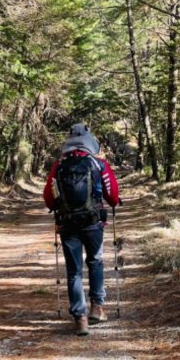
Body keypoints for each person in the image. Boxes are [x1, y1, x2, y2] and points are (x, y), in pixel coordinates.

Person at [43, 123, 120, 336]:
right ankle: (97, 307)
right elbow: (112, 196)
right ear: (90, 141)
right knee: (95, 261)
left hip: (68, 224)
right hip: (93, 223)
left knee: (73, 271)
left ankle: (80, 318)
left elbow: (49, 199)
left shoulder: (59, 166)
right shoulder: (98, 164)